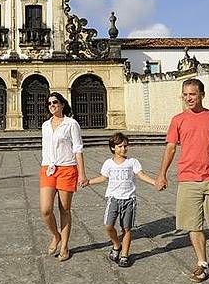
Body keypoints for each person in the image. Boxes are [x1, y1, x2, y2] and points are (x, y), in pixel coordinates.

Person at [155, 78, 209, 282]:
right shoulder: (178, 120)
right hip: (188, 179)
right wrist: (162, 173)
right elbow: (170, 148)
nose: (188, 98)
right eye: (185, 94)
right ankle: (202, 263)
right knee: (194, 224)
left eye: (192, 94)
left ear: (202, 94)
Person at [86, 132, 156, 267]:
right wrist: (88, 182)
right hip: (113, 199)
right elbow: (103, 177)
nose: (123, 149)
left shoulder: (132, 162)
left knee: (127, 228)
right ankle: (116, 244)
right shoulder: (108, 163)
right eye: (120, 146)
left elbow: (141, 175)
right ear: (113, 148)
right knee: (108, 225)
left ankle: (124, 255)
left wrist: (155, 182)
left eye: (125, 146)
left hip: (129, 199)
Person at [39, 92, 88, 262]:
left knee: (64, 209)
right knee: (45, 209)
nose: (52, 105)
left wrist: (82, 173)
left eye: (55, 102)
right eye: (49, 103)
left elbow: (78, 149)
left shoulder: (71, 124)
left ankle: (65, 245)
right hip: (48, 168)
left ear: (62, 104)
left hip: (67, 168)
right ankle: (56, 235)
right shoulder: (45, 125)